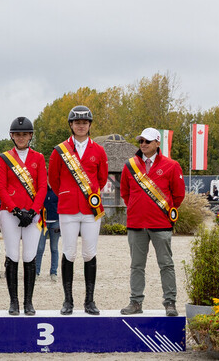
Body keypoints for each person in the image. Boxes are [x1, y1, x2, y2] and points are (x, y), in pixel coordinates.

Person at [48, 105, 109, 315]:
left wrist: (87, 194)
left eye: (84, 122)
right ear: (71, 125)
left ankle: (89, 301)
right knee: (69, 252)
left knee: (89, 253)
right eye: (77, 122)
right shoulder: (59, 150)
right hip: (68, 209)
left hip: (91, 209)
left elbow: (101, 179)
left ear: (89, 125)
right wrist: (67, 193)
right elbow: (53, 180)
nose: (81, 126)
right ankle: (68, 301)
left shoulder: (99, 150)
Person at [118, 128, 185, 316]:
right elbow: (125, 192)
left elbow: (178, 195)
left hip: (161, 223)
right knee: (136, 265)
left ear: (157, 143)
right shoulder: (129, 165)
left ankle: (170, 302)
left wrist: (162, 210)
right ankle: (135, 302)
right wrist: (136, 206)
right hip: (136, 223)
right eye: (141, 141)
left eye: (147, 141)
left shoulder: (172, 165)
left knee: (166, 264)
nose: (143, 144)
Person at [0, 116, 47, 316]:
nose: (21, 137)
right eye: (17, 134)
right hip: (10, 214)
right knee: (12, 255)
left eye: (24, 134)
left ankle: (28, 302)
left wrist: (33, 211)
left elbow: (42, 186)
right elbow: (2, 187)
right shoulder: (4, 158)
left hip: (32, 214)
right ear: (12, 136)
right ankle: (14, 302)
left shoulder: (39, 158)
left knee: (29, 256)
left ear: (30, 136)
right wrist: (16, 210)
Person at [33, 189, 61, 282]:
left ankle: (53, 272)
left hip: (55, 222)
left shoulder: (57, 189)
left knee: (54, 248)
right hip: (42, 222)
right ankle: (36, 272)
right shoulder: (41, 189)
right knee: (40, 248)